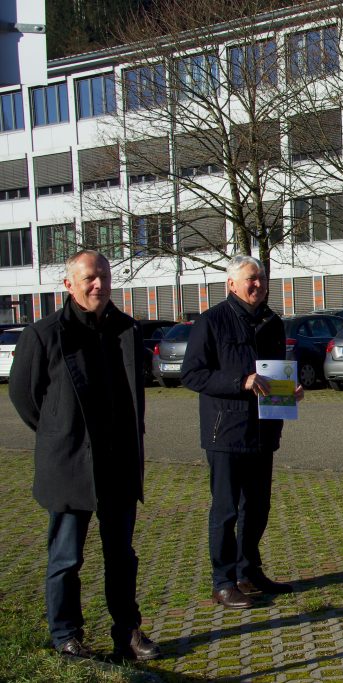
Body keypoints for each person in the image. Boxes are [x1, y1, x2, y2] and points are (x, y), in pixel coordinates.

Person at [8, 250, 160, 661]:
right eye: (91, 278)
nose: (99, 285)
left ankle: (127, 632)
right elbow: (25, 398)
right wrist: (61, 432)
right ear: (69, 285)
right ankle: (66, 635)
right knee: (65, 557)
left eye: (105, 278)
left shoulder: (126, 330)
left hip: (118, 464)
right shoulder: (42, 335)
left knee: (122, 556)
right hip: (71, 464)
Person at [181, 255, 303, 609]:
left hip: (264, 430)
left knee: (258, 506)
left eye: (262, 280)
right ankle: (223, 581)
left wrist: (290, 391)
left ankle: (249, 570)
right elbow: (192, 374)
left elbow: (275, 372)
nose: (258, 285)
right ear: (231, 284)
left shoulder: (272, 322)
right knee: (226, 509)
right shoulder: (211, 322)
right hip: (226, 431)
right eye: (251, 279)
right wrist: (240, 381)